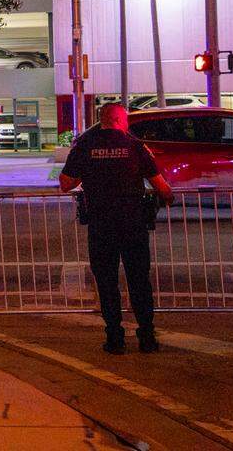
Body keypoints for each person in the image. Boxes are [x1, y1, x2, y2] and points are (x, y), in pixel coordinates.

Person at [60, 103, 174, 355]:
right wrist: (166, 197)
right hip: (133, 224)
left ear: (102, 120)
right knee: (139, 281)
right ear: (121, 120)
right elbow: (162, 187)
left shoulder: (86, 145)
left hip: (101, 226)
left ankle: (114, 338)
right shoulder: (135, 146)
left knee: (107, 282)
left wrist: (88, 174)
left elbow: (66, 183)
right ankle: (146, 337)